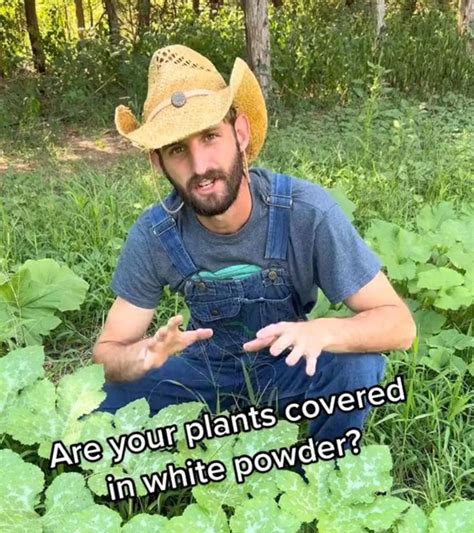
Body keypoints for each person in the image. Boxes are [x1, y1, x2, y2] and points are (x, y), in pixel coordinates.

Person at [93, 44, 416, 444]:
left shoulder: (306, 212)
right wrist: (143, 355)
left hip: (289, 369)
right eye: (177, 149)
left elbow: (400, 326)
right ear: (158, 163)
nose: (200, 166)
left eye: (210, 136)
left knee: (358, 368)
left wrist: (323, 332)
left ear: (240, 134)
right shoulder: (155, 233)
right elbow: (106, 354)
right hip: (204, 376)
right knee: (102, 396)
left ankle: (322, 468)